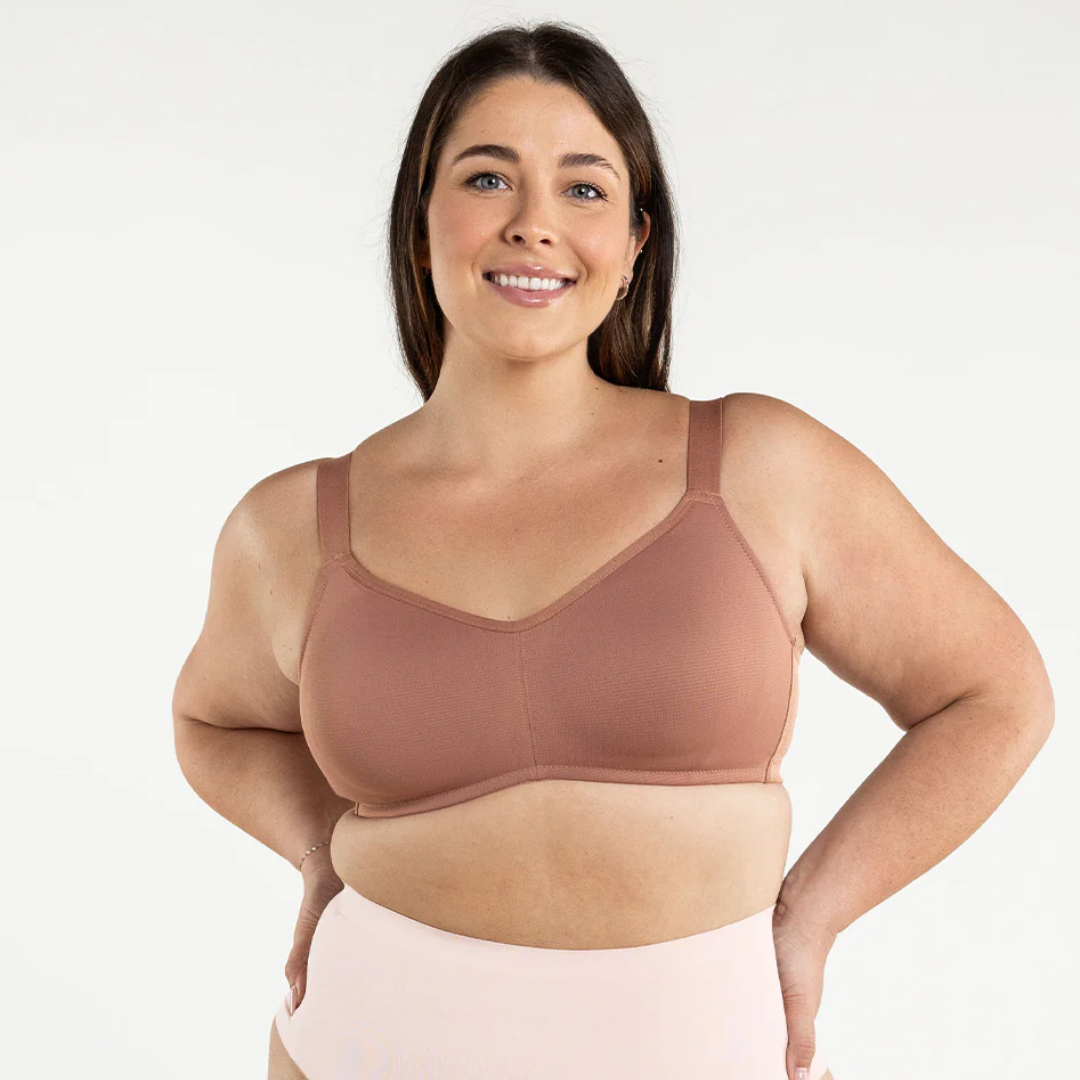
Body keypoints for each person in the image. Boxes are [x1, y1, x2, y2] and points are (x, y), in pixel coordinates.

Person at [172, 21, 1055, 1080]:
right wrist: (319, 852)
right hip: (367, 1043)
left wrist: (813, 914)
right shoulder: (290, 528)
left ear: (636, 243)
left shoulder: (762, 468)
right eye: (488, 178)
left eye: (583, 188)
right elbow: (212, 721)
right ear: (420, 224)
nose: (534, 223)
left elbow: (996, 694)